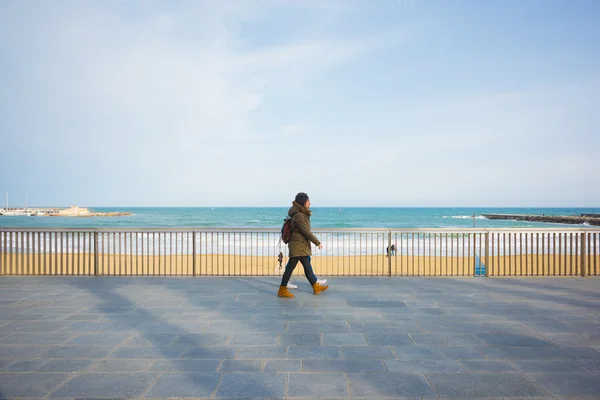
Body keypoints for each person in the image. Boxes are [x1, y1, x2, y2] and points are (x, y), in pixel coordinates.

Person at [278, 192, 329, 298]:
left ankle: (315, 286)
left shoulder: (300, 213)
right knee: (290, 268)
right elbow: (306, 231)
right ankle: (282, 289)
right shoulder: (299, 215)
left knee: (307, 267)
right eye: (307, 201)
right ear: (303, 202)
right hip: (297, 245)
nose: (309, 203)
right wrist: (317, 242)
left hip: (301, 245)